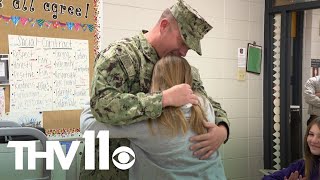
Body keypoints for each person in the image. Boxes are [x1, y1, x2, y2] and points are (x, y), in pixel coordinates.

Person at [81, 0, 230, 179]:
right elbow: (101, 105)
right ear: (164, 26)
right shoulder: (121, 56)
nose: (184, 52)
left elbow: (206, 101)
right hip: (111, 171)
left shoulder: (181, 67)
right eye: (183, 42)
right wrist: (163, 99)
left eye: (188, 47)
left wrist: (222, 129)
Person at [81, 55, 227, 180]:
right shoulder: (204, 105)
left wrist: (100, 97)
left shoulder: (149, 120)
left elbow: (88, 126)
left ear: (155, 81)